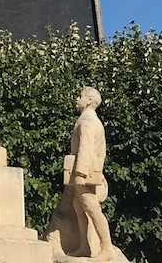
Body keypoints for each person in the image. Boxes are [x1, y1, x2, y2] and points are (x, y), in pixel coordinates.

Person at [68, 86, 116, 261]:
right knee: (78, 205)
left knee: (92, 208)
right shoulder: (89, 120)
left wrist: (79, 173)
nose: (76, 99)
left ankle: (107, 247)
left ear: (88, 101)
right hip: (87, 172)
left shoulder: (87, 121)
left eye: (80, 96)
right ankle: (85, 245)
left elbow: (86, 148)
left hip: (86, 173)